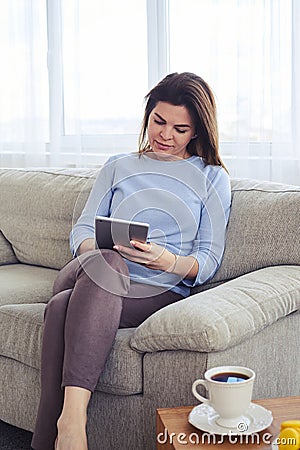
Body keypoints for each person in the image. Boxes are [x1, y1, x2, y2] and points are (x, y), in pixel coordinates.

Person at [31, 72, 231, 450]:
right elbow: (82, 232)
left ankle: (61, 429)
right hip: (92, 270)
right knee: (108, 263)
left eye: (180, 128)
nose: (165, 135)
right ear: (147, 116)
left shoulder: (211, 177)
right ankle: (74, 424)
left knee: (59, 308)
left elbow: (208, 259)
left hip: (156, 291)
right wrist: (105, 250)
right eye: (158, 121)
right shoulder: (118, 165)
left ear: (197, 132)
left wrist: (167, 260)